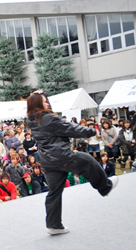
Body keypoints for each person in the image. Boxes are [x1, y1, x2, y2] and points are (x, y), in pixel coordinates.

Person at [27, 90, 117, 235]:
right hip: (61, 156)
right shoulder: (49, 118)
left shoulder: (32, 120)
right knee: (88, 161)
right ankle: (105, 187)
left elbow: (42, 111)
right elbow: (71, 129)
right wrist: (91, 131)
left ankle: (54, 225)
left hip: (47, 161)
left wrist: (39, 95)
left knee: (54, 192)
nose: (47, 103)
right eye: (44, 101)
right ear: (38, 104)